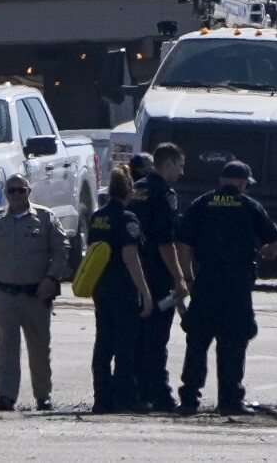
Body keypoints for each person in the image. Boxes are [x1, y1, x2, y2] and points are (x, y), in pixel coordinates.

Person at [175, 161, 277, 415]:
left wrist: (188, 279)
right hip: (237, 284)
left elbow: (183, 243)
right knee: (233, 341)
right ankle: (230, 399)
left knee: (198, 340)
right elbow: (275, 241)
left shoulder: (200, 204)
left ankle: (189, 398)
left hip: (206, 282)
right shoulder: (249, 206)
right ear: (242, 182)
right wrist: (268, 252)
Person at [0, 173, 70, 412]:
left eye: (20, 190)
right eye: (11, 191)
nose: (16, 195)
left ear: (29, 192)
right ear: (5, 194)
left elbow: (61, 250)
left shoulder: (46, 218)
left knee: (39, 347)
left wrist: (51, 278)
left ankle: (43, 395)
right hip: (5, 295)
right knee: (6, 347)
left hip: (37, 295)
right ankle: (6, 395)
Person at [128, 142, 189, 412]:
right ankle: (159, 392)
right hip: (157, 274)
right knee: (156, 337)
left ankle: (137, 390)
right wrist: (179, 278)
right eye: (179, 165)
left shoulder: (136, 189)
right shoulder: (164, 194)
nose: (181, 171)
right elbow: (166, 242)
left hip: (133, 273)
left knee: (137, 336)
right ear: (167, 164)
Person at [89, 166, 155, 413]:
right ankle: (125, 398)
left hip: (101, 286)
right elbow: (130, 257)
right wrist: (145, 293)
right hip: (122, 289)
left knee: (103, 343)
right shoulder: (127, 218)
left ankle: (102, 397)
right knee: (124, 345)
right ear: (129, 190)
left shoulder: (98, 217)